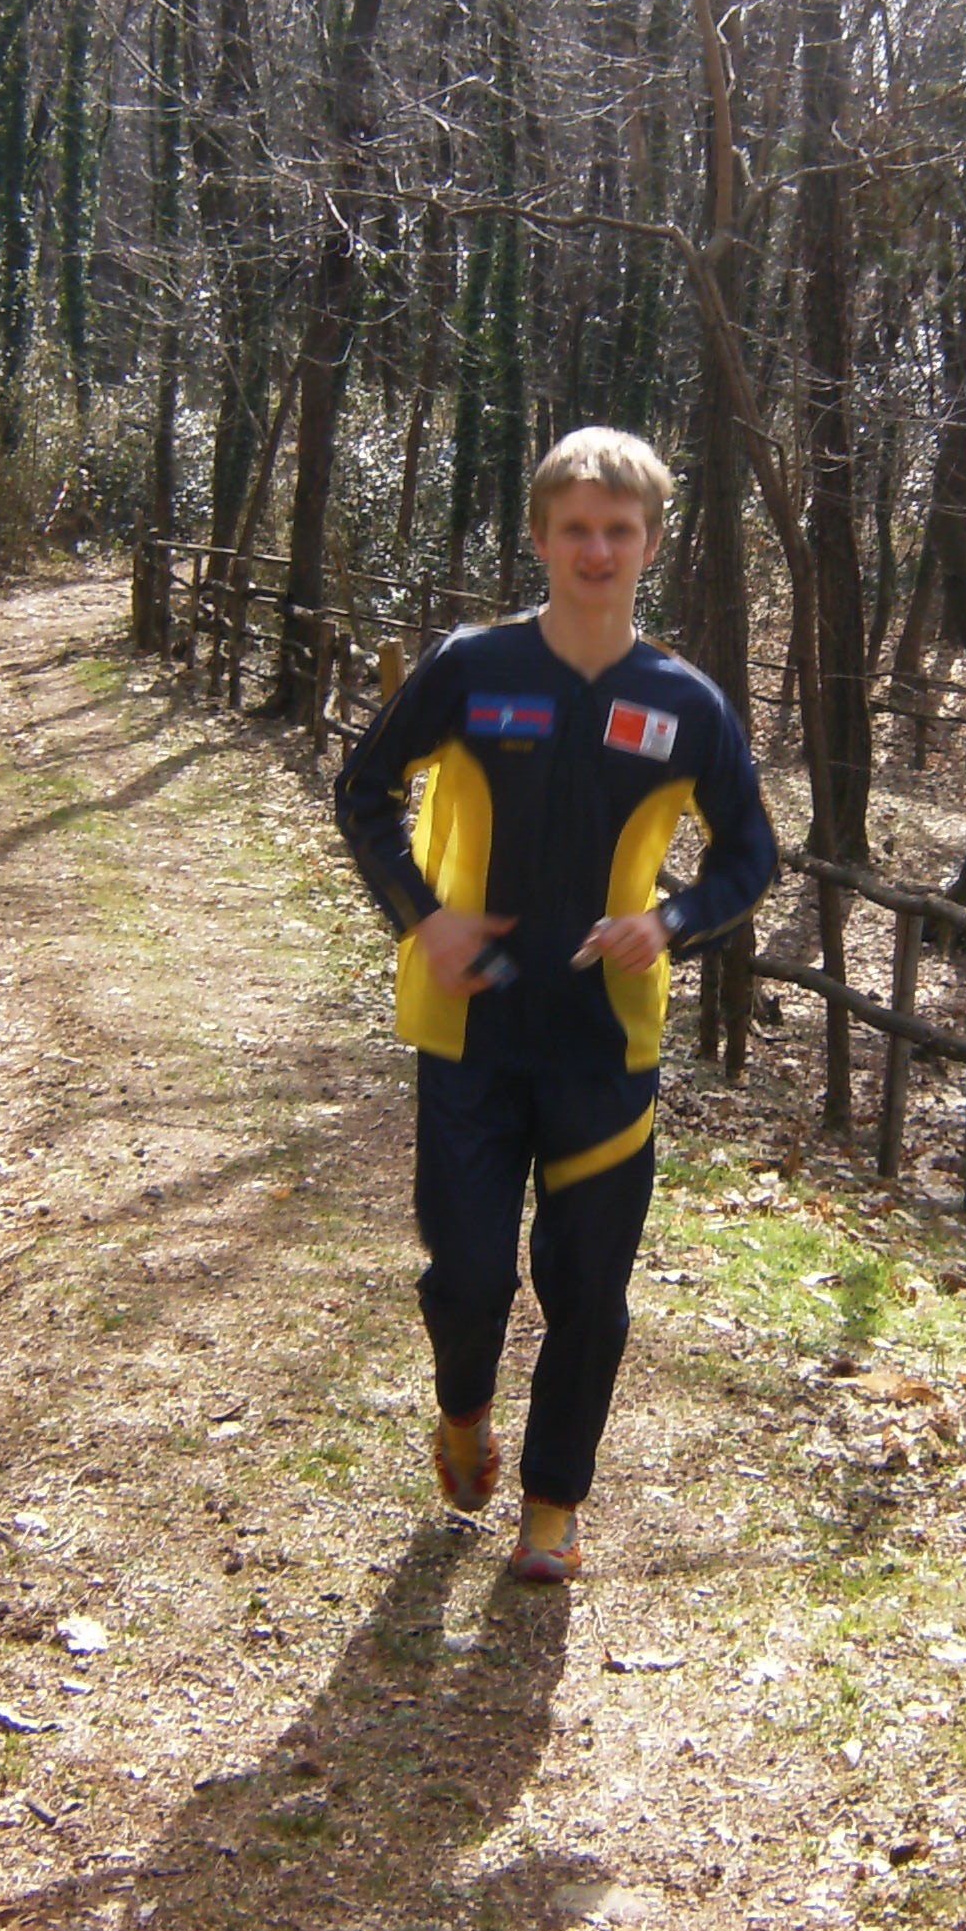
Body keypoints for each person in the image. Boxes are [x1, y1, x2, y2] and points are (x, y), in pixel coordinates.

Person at [334, 426, 776, 1581]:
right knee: (468, 1275)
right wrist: (423, 917)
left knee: (588, 1289)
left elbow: (750, 856)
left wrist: (670, 922)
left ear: (651, 543)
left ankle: (552, 1504)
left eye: (618, 530)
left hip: (604, 1046)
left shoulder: (685, 702)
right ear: (538, 537)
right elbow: (363, 790)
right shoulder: (472, 668)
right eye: (575, 528)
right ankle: (462, 1413)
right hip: (469, 1030)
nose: (596, 550)